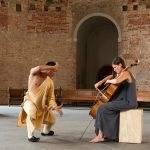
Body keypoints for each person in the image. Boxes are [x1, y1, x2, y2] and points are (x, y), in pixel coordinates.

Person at [90, 56, 138, 143]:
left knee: (102, 107)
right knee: (102, 107)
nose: (114, 69)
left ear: (120, 65)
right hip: (122, 100)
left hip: (129, 102)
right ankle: (104, 134)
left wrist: (108, 81)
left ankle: (100, 136)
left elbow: (115, 81)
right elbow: (111, 76)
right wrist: (100, 82)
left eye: (115, 67)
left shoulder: (126, 73)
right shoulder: (121, 74)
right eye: (113, 68)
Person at [17, 61, 63, 142]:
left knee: (51, 120)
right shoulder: (34, 74)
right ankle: (30, 135)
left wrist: (54, 106)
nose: (54, 73)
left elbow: (51, 97)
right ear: (48, 69)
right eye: (54, 71)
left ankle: (45, 132)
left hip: (41, 105)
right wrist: (53, 67)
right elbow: (38, 68)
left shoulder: (50, 82)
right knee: (32, 112)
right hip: (29, 101)